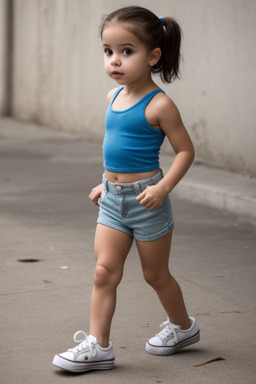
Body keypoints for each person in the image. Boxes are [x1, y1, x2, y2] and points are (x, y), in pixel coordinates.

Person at [52, 6, 200, 373]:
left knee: (155, 276)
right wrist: (105, 183)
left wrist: (163, 188)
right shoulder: (112, 98)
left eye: (126, 51)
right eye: (108, 51)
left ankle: (183, 328)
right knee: (104, 271)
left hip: (148, 200)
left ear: (152, 56)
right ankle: (98, 345)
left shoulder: (160, 104)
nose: (115, 60)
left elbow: (185, 150)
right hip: (112, 200)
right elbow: (116, 149)